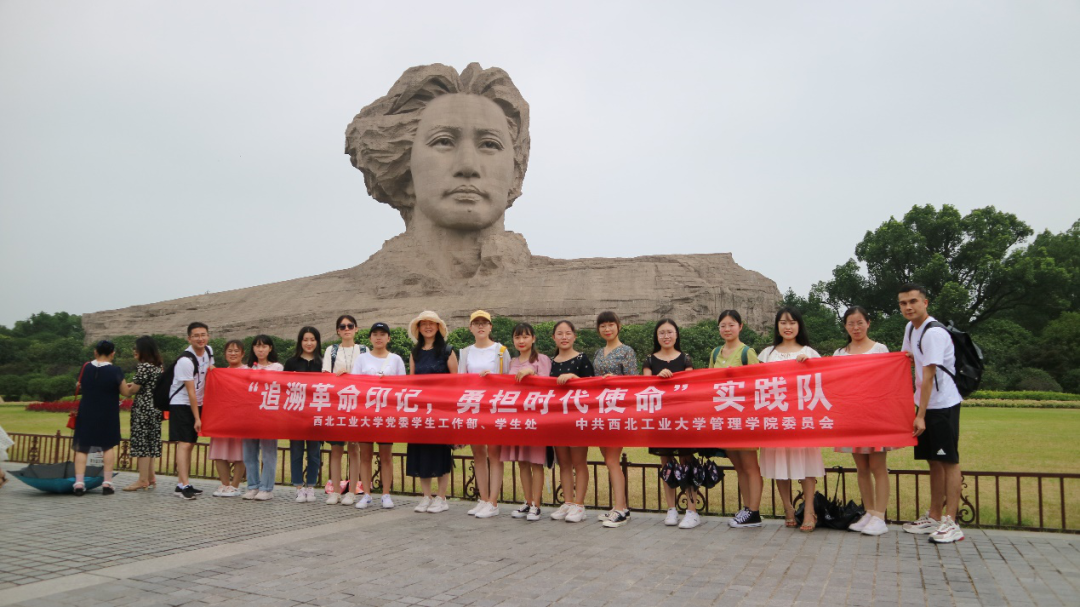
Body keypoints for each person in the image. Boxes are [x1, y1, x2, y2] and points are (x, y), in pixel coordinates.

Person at [899, 284, 965, 544]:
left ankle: (952, 522)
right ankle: (935, 516)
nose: (908, 307)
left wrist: (920, 415)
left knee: (949, 461)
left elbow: (928, 376)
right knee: (933, 461)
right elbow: (905, 359)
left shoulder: (934, 333)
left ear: (925, 303)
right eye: (903, 303)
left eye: (913, 301)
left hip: (943, 404)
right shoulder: (911, 328)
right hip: (926, 405)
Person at [758, 307, 824, 532]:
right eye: (783, 322)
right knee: (780, 464)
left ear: (799, 326)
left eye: (792, 322)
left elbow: (821, 382)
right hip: (775, 417)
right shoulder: (766, 354)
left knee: (806, 463)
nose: (788, 327)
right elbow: (757, 384)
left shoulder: (810, 352)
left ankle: (809, 510)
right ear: (777, 326)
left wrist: (809, 365)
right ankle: (787, 508)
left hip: (802, 417)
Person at [833, 306, 894, 536]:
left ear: (868, 323)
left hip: (875, 416)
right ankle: (869, 512)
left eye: (860, 322)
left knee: (878, 466)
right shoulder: (840, 353)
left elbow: (889, 381)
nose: (855, 327)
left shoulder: (880, 349)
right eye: (851, 323)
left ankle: (880, 515)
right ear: (845, 326)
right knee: (862, 467)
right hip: (852, 416)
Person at [642, 319, 700, 529]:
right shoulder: (650, 360)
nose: (666, 336)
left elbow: (690, 385)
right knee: (666, 464)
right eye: (662, 333)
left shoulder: (685, 358)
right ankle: (671, 509)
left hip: (683, 419)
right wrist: (658, 378)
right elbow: (645, 387)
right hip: (660, 419)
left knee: (687, 462)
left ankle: (692, 510)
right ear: (656, 336)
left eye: (670, 332)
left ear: (676, 334)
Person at [709, 309, 764, 528]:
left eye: (731, 324)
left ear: (740, 327)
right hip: (725, 418)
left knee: (750, 466)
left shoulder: (747, 352)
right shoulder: (715, 352)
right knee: (739, 466)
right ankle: (747, 508)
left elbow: (758, 384)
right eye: (723, 325)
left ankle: (754, 511)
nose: (727, 329)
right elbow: (708, 384)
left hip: (745, 418)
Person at [458, 310, 512, 519]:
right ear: (470, 328)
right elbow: (461, 381)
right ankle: (483, 498)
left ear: (490, 327)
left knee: (494, 454)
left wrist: (493, 378)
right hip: (473, 407)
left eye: (484, 323)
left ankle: (493, 501)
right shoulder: (465, 352)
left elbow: (508, 380)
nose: (480, 326)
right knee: (478, 454)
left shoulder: (501, 351)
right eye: (476, 323)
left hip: (494, 407)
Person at [351, 322, 406, 509]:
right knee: (365, 455)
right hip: (366, 414)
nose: (379, 337)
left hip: (386, 414)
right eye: (375, 334)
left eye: (382, 334)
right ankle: (366, 494)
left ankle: (386, 494)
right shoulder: (362, 359)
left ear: (388, 338)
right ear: (370, 338)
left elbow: (403, 387)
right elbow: (355, 385)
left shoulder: (396, 359)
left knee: (386, 456)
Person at [406, 311, 456, 514]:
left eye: (432, 323)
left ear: (438, 327)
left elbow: (455, 382)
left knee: (441, 453)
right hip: (420, 411)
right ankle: (426, 496)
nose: (428, 327)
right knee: (421, 453)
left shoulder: (447, 351)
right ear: (418, 328)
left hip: (441, 411)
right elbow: (411, 382)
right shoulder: (415, 352)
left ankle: (441, 497)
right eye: (424, 324)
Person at [592, 310, 637, 528]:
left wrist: (616, 379)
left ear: (619, 326)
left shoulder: (627, 351)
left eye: (611, 324)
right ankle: (620, 507)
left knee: (612, 460)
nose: (607, 329)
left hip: (618, 412)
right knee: (609, 460)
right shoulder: (598, 352)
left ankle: (620, 509)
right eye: (603, 326)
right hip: (601, 411)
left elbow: (634, 381)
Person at [504, 323, 552, 522]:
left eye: (525, 337)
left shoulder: (542, 359)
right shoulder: (512, 362)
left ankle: (537, 505)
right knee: (522, 462)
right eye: (517, 337)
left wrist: (532, 373)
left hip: (536, 418)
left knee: (536, 462)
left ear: (533, 338)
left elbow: (548, 385)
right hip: (517, 418)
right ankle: (528, 501)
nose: (521, 341)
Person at [548, 320, 593, 523]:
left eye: (568, 333)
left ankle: (579, 505)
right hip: (557, 419)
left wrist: (575, 377)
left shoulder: (582, 359)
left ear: (575, 336)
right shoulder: (550, 362)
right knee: (564, 463)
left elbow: (592, 388)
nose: (564, 337)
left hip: (578, 419)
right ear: (553, 337)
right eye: (560, 333)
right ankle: (567, 502)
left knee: (579, 462)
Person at [323, 314, 369, 505]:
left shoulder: (364, 351)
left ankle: (352, 491)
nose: (347, 329)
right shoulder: (331, 350)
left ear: (356, 329)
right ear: (338, 331)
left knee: (354, 448)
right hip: (337, 404)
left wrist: (350, 375)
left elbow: (368, 377)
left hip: (357, 405)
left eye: (350, 326)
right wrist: (339, 377)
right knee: (336, 448)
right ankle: (335, 491)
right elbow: (326, 376)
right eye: (342, 327)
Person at [72, 340, 127, 496]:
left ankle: (79, 483)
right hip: (107, 412)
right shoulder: (115, 370)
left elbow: (82, 386)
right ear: (112, 354)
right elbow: (125, 392)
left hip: (86, 411)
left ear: (95, 352)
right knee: (107, 446)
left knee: (82, 447)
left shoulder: (86, 368)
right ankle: (107, 483)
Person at [168, 322, 214, 500]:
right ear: (189, 338)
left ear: (208, 336)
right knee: (185, 444)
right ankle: (184, 485)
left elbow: (211, 372)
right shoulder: (185, 361)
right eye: (196, 336)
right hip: (181, 403)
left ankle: (182, 484)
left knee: (190, 444)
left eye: (203, 335)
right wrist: (197, 418)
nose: (200, 338)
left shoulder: (208, 351)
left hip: (197, 402)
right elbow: (190, 392)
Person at [242, 335, 284, 501]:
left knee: (268, 454)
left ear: (270, 348)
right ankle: (252, 486)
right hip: (249, 416)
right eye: (257, 346)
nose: (261, 349)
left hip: (269, 416)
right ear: (253, 348)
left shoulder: (277, 367)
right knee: (249, 454)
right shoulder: (247, 369)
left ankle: (266, 488)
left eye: (264, 346)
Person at [285, 327, 323, 504]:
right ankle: (299, 487)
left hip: (316, 414)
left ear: (317, 342)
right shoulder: (291, 362)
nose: (309, 343)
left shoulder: (322, 363)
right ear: (300, 341)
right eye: (305, 339)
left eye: (312, 339)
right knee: (296, 452)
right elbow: (283, 387)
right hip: (295, 414)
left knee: (314, 453)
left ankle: (311, 486)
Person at [122, 336, 164, 491]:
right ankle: (151, 477)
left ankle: (142, 480)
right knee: (151, 443)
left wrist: (121, 386)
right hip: (155, 408)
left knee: (142, 445)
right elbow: (149, 385)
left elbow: (133, 390)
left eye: (136, 348)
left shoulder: (144, 367)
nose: (134, 351)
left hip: (143, 409)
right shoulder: (158, 367)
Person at [209, 340, 246, 497]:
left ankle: (235, 486)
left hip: (241, 419)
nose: (233, 353)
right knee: (219, 452)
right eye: (230, 351)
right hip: (222, 419)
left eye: (236, 351)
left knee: (240, 453)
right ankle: (224, 484)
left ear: (242, 354)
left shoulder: (249, 372)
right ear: (225, 354)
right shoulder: (219, 373)